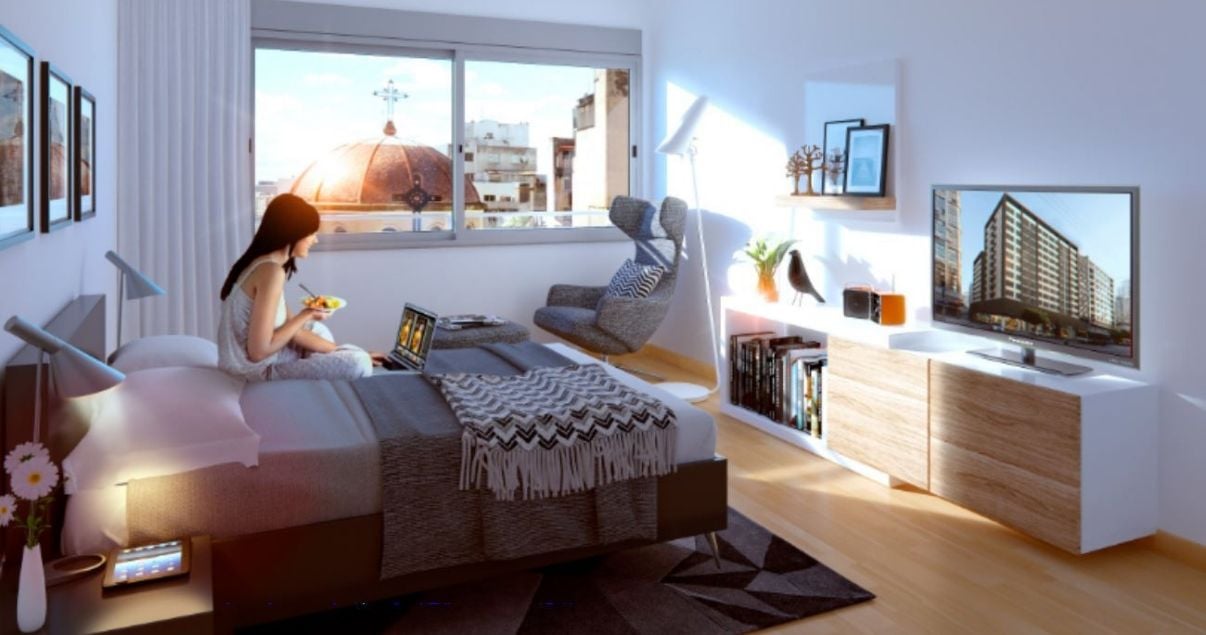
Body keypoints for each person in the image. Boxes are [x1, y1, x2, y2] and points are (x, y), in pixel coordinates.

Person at [217, 194, 381, 381]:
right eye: (311, 233)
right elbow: (258, 352)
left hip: (254, 364)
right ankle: (348, 360)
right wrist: (306, 313)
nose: (315, 240)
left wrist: (342, 353)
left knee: (317, 330)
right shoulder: (270, 272)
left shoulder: (261, 265)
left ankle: (346, 357)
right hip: (255, 372)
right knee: (358, 363)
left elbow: (293, 330)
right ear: (293, 232)